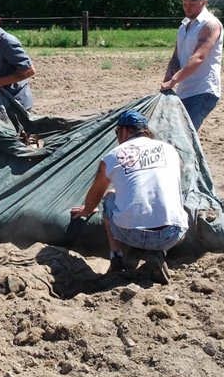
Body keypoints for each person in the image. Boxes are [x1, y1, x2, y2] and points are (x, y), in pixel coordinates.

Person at [70, 111, 188, 284]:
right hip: (171, 235)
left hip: (130, 233)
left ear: (124, 131)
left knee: (109, 197)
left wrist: (87, 210)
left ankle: (116, 257)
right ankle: (157, 253)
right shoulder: (170, 150)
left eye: (117, 133)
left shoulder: (112, 156)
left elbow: (96, 192)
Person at [160, 0, 224, 131]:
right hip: (184, 90)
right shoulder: (183, 26)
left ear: (204, 2)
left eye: (192, 3)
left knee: (185, 134)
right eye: (185, 3)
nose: (187, 7)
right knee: (179, 133)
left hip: (203, 90)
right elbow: (176, 57)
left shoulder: (210, 25)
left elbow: (198, 57)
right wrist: (167, 78)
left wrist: (173, 80)